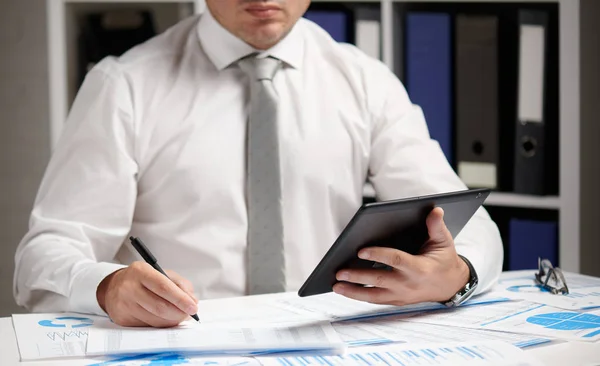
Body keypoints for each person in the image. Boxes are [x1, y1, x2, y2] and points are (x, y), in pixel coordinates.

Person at [13, 0, 503, 328]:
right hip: (183, 347)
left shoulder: (364, 81)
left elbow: (470, 223)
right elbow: (44, 256)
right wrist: (106, 287)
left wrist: (456, 273)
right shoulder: (124, 86)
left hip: (328, 344)